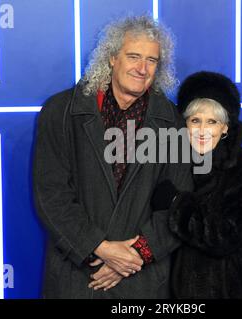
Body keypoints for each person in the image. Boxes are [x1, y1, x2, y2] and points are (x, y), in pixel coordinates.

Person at [33, 15, 193, 299]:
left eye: (152, 60)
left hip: (141, 282)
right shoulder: (60, 112)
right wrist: (101, 248)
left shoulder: (171, 120)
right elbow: (51, 195)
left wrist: (134, 256)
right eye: (133, 56)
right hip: (78, 276)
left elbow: (179, 204)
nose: (142, 69)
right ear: (111, 58)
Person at [151, 71, 242, 298]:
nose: (202, 131)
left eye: (212, 122)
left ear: (225, 127)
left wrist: (176, 203)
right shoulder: (170, 162)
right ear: (184, 123)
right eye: (195, 120)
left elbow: (223, 235)